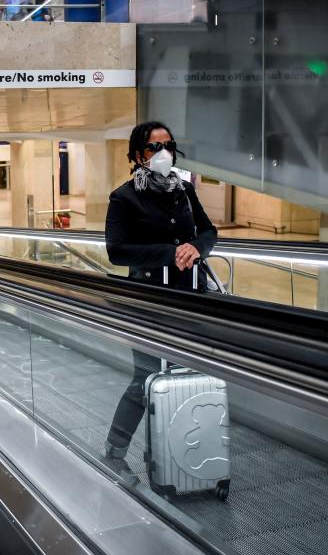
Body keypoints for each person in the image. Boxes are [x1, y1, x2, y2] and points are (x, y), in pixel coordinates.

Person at [101, 120, 218, 484]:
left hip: (189, 296)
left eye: (168, 145)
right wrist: (169, 252)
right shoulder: (124, 197)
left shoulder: (183, 189)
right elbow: (117, 252)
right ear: (137, 155)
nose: (162, 153)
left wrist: (196, 247)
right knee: (146, 377)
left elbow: (209, 231)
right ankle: (114, 453)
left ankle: (182, 454)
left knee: (188, 375)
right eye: (153, 147)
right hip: (148, 301)